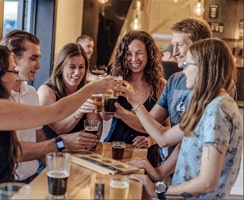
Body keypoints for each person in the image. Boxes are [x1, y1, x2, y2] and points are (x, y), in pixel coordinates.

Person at [0, 44, 115, 199]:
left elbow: (11, 150)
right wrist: (93, 88)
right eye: (13, 71)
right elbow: (55, 112)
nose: (16, 77)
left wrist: (59, 143)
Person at [124, 38, 243, 199]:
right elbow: (163, 137)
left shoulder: (217, 110)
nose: (182, 68)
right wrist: (135, 102)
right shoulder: (206, 105)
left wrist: (158, 190)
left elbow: (208, 183)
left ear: (204, 68)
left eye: (187, 64)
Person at [103, 30, 168, 167]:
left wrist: (151, 139)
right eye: (128, 54)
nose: (134, 59)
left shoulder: (161, 85)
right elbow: (106, 116)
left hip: (147, 154)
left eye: (139, 53)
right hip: (116, 148)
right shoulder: (117, 81)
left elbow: (168, 127)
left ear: (149, 55)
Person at [0, 30, 45, 183]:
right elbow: (11, 150)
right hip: (5, 185)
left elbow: (39, 137)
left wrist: (56, 168)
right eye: (33, 58)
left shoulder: (32, 93)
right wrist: (61, 142)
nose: (38, 66)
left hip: (31, 179)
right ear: (13, 57)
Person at [37, 43, 103, 143]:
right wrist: (79, 111)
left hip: (80, 151)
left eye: (81, 67)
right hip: (52, 154)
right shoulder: (46, 92)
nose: (77, 72)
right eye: (72, 67)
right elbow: (59, 129)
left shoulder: (88, 90)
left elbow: (95, 132)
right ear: (60, 68)